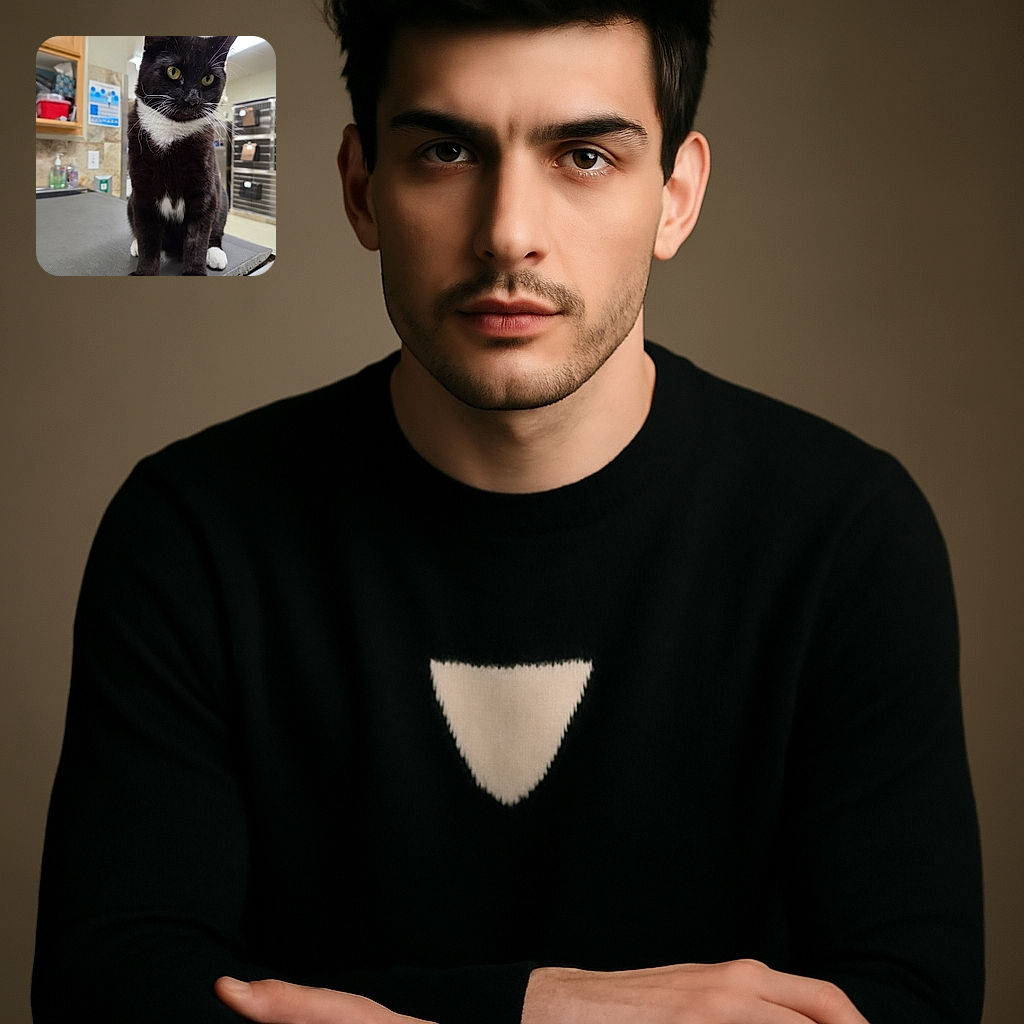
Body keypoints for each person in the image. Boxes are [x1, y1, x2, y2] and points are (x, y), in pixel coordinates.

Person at [32, 3, 984, 1023]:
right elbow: (112, 994)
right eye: (446, 150)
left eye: (582, 156)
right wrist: (542, 1007)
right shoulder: (191, 533)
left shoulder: (845, 533)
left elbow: (910, 998)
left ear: (676, 197)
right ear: (361, 189)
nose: (508, 234)